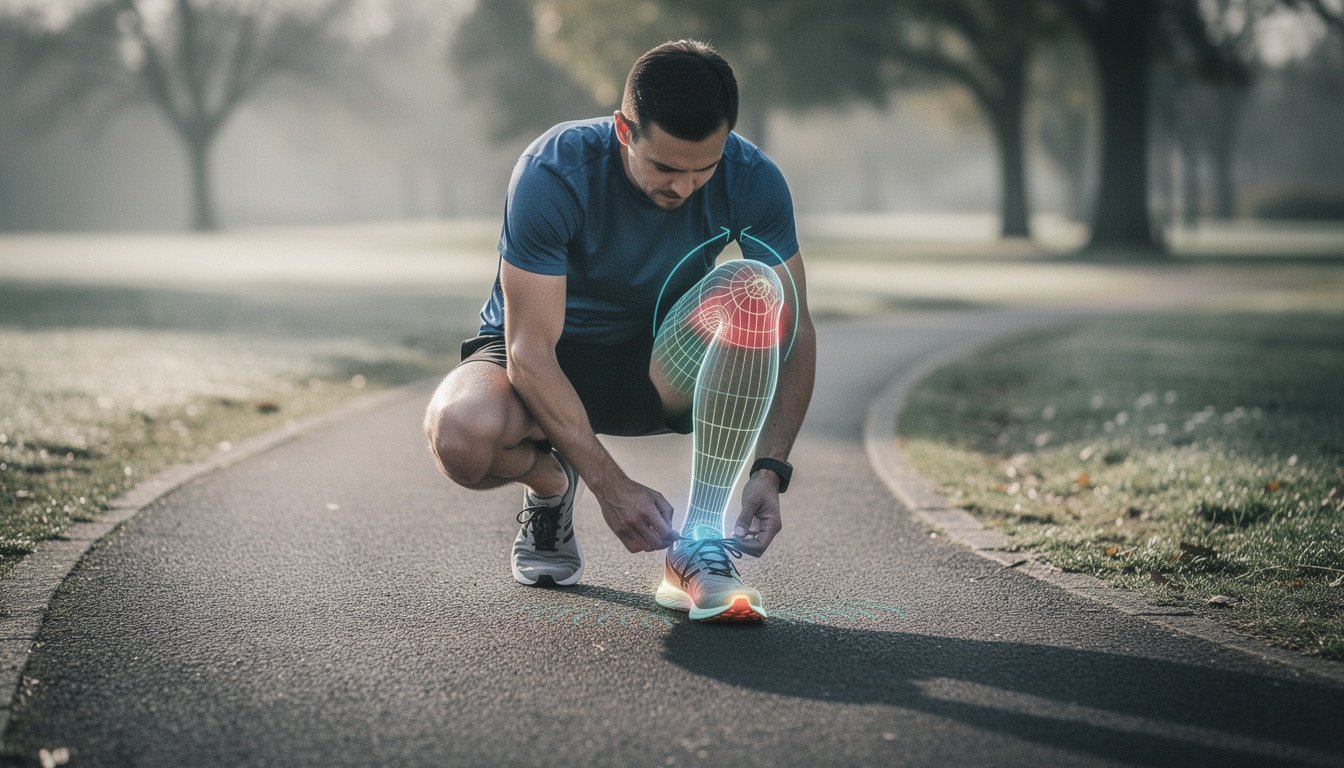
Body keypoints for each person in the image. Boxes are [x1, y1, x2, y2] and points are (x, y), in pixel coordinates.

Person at [424, 39, 815, 622]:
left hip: (659, 364)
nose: (683, 188)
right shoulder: (554, 168)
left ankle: (699, 548)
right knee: (459, 436)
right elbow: (529, 351)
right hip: (547, 358)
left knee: (755, 287)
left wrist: (771, 468)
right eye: (665, 168)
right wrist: (609, 485)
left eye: (702, 170)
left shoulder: (753, 178)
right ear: (624, 131)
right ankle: (552, 486)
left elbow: (798, 333)